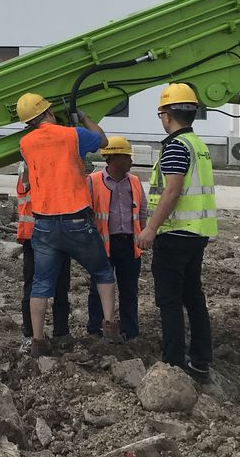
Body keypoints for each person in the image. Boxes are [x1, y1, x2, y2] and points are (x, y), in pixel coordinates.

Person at [16, 91, 118, 357]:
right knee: (102, 272)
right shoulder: (73, 135)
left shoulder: (25, 143)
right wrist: (83, 118)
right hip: (76, 221)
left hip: (44, 225)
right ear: (49, 111)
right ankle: (109, 326)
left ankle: (38, 340)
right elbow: (103, 140)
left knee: (40, 285)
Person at [137, 83, 217, 381]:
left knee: (169, 301)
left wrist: (151, 228)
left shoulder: (175, 147)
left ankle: (172, 364)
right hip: (197, 233)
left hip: (175, 233)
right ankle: (200, 362)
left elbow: (172, 191)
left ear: (167, 115)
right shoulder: (198, 145)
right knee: (193, 297)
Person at [87, 136, 147, 341]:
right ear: (113, 158)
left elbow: (142, 211)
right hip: (103, 245)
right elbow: (87, 214)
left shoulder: (134, 182)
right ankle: (95, 328)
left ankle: (130, 331)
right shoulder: (93, 181)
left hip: (130, 243)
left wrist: (144, 234)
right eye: (127, 157)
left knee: (129, 290)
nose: (131, 160)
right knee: (98, 288)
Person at [16, 167, 72, 349]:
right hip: (41, 236)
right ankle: (36, 335)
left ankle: (56, 333)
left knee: (56, 286)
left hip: (49, 235)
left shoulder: (34, 167)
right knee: (41, 286)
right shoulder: (33, 169)